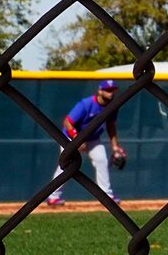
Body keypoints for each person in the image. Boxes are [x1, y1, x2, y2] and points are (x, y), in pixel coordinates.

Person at [50, 78, 127, 208]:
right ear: (100, 91)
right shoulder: (85, 104)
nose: (111, 93)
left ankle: (106, 195)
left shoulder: (112, 106)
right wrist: (77, 140)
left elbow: (111, 126)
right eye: (108, 90)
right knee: (66, 166)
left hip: (92, 139)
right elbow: (67, 122)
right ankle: (53, 197)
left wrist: (115, 146)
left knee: (101, 159)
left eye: (113, 90)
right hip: (70, 139)